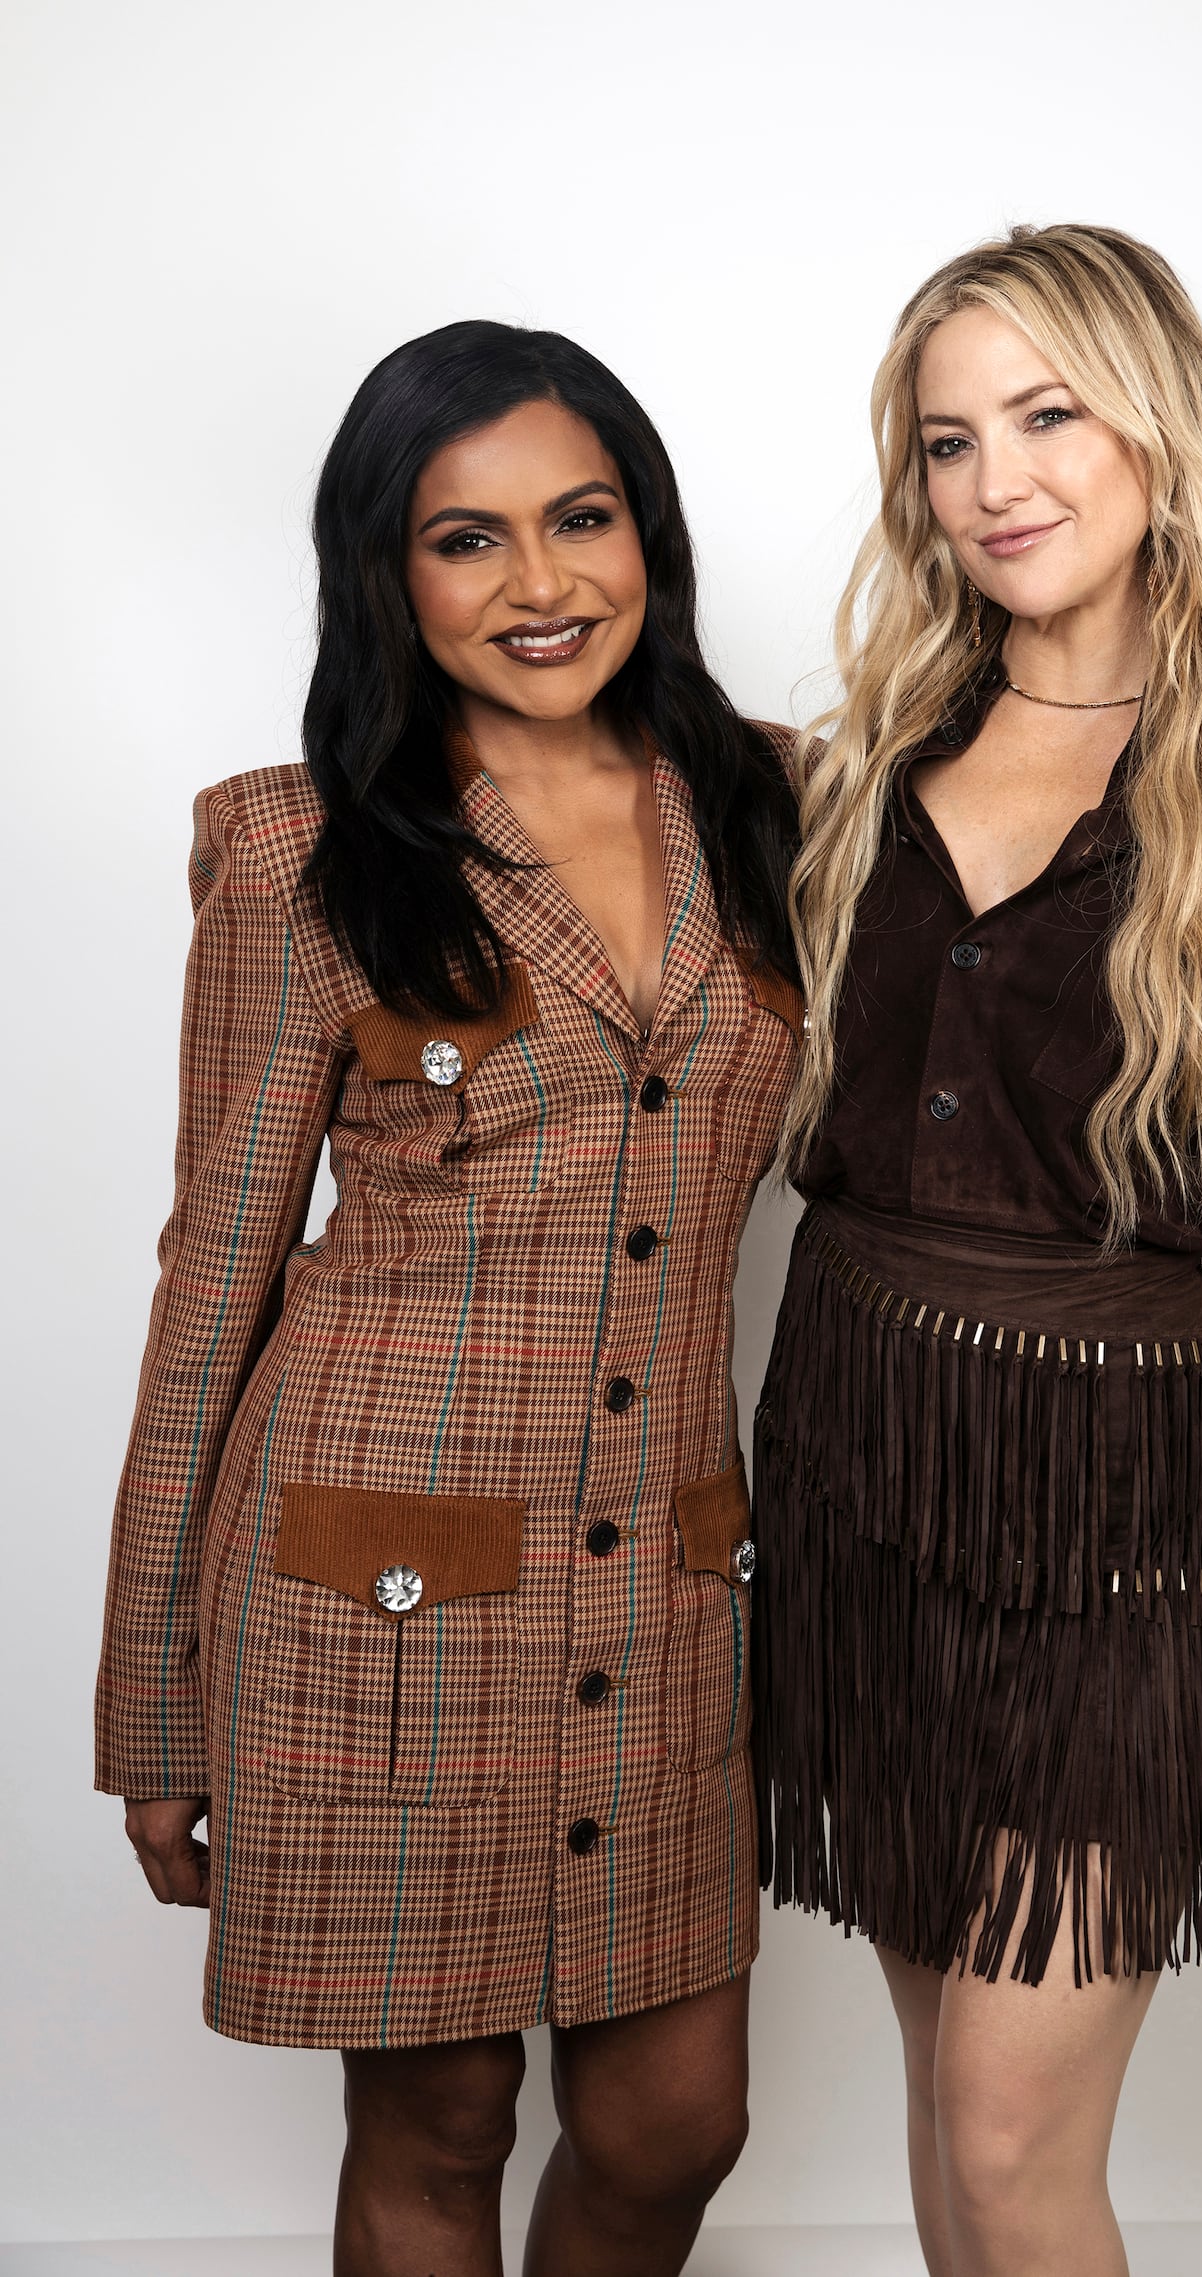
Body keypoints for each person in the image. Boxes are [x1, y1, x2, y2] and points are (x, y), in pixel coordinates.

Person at [754, 224, 1202, 2277]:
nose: (994, 480)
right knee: (947, 2117)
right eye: (943, 439)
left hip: (1128, 1506)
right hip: (859, 1473)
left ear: (1158, 424)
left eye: (1044, 413)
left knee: (1009, 2133)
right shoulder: (851, 772)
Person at [95, 321, 803, 2277]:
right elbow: (207, 1278)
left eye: (579, 520)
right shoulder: (300, 850)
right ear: (385, 574)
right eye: (465, 539)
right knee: (441, 2114)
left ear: (645, 533)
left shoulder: (773, 808)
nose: (541, 582)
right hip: (371, 1591)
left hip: (662, 1584)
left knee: (675, 2118)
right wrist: (152, 1688)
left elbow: (942, 1076)